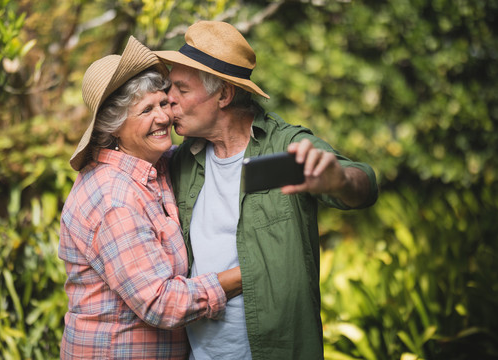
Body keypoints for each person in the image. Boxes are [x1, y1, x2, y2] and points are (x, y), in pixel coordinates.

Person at [155, 21, 379, 359]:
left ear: (224, 95)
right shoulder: (181, 161)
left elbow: (364, 182)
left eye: (182, 89)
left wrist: (340, 181)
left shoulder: (286, 145)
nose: (167, 99)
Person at [58, 35, 242, 359]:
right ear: (114, 126)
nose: (163, 118)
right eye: (145, 110)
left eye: (162, 103)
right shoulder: (115, 199)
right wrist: (247, 274)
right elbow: (160, 303)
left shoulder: (154, 166)